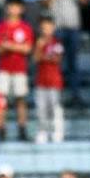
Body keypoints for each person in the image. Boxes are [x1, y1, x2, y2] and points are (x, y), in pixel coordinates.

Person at [0, 0, 33, 141]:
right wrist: (16, 47)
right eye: (11, 6)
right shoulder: (1, 27)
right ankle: (1, 129)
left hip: (19, 69)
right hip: (3, 68)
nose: (13, 9)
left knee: (20, 99)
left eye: (16, 7)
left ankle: (22, 129)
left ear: (21, 9)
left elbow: (28, 49)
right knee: (0, 100)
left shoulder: (25, 28)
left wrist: (9, 46)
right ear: (7, 8)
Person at [33, 15, 65, 144]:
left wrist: (44, 56)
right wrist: (40, 48)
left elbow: (57, 59)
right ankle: (43, 132)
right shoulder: (38, 43)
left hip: (54, 81)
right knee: (41, 109)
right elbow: (35, 59)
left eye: (48, 27)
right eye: (43, 28)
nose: (46, 30)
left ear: (53, 28)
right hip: (41, 81)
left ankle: (57, 132)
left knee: (55, 108)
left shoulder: (57, 42)